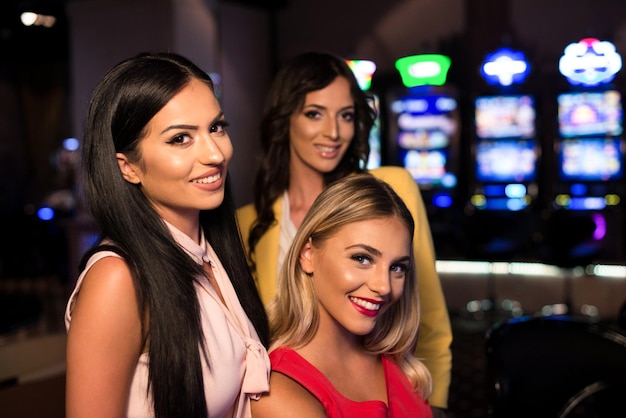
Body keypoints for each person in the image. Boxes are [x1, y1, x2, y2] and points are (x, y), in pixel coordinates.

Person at [237, 51, 452, 415]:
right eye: (314, 113)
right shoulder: (246, 223)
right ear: (284, 119)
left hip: (392, 387)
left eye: (346, 115)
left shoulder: (390, 188)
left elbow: (429, 320)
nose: (333, 132)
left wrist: (436, 405)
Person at [64, 52, 270, 418]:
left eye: (217, 127)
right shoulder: (118, 279)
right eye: (180, 139)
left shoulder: (210, 253)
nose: (215, 153)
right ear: (127, 168)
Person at [251, 173, 433, 417]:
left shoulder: (399, 362)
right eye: (362, 258)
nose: (384, 287)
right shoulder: (280, 390)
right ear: (308, 255)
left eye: (397, 267)